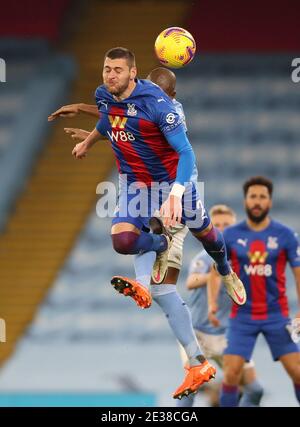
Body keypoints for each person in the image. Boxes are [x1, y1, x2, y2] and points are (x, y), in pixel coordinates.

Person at [48, 47, 247, 399]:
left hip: (175, 188)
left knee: (206, 233)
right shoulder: (108, 95)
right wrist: (90, 134)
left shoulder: (165, 109)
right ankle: (195, 358)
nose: (110, 75)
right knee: (130, 249)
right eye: (107, 69)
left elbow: (185, 153)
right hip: (136, 186)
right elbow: (112, 115)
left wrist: (175, 195)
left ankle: (224, 267)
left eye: (117, 70)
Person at [208, 176, 300, 406]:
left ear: (269, 201)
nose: (257, 201)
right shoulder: (229, 235)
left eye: (262, 197)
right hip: (242, 317)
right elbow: (214, 271)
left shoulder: (285, 235)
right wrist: (212, 304)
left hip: (277, 315)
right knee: (230, 374)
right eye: (253, 197)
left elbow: (298, 272)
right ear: (246, 201)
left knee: (297, 372)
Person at [177, 204, 263, 407]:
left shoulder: (243, 260)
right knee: (191, 387)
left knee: (255, 389)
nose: (222, 229)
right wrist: (219, 275)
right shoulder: (204, 258)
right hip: (199, 334)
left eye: (227, 225)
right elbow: (191, 282)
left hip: (228, 335)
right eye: (218, 225)